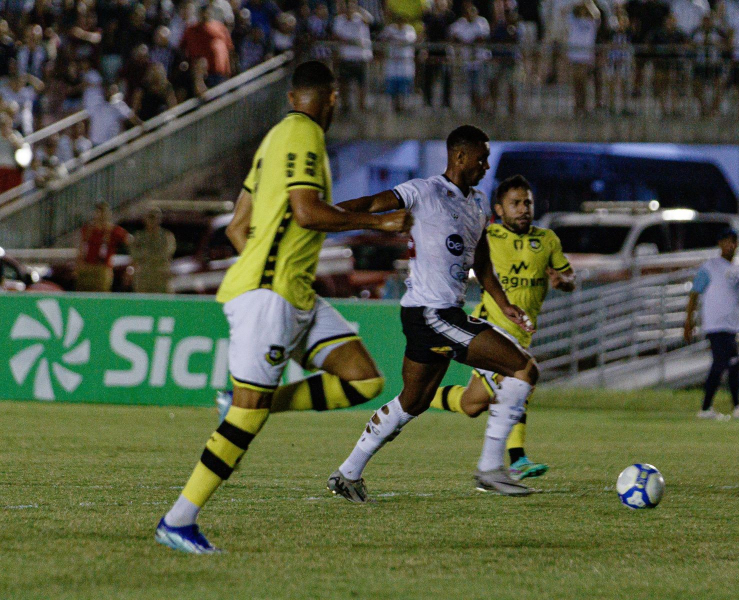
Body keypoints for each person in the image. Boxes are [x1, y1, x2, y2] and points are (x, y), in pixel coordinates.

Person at [155, 61, 412, 554]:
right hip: (270, 296)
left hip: (293, 293)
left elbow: (237, 226)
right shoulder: (304, 135)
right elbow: (306, 211)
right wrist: (377, 223)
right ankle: (178, 520)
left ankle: (251, 400)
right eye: (334, 99)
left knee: (362, 379)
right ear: (330, 99)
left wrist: (270, 256)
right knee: (245, 422)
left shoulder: (273, 141)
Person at [327, 125, 541, 502]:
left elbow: (483, 264)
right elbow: (369, 205)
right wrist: (324, 216)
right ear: (459, 157)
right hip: (432, 313)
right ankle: (491, 467)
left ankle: (348, 472)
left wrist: (505, 304)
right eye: (481, 157)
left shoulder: (475, 203)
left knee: (413, 401)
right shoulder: (422, 191)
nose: (486, 165)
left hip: (434, 314)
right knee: (523, 368)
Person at [428, 174, 574, 481]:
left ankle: (425, 395)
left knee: (471, 405)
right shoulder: (488, 237)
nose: (523, 209)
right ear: (499, 208)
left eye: (528, 203)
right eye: (515, 203)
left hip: (522, 335)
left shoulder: (547, 241)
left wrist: (564, 282)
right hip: (489, 329)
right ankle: (517, 459)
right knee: (519, 384)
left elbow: (569, 277)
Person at [683, 227, 739, 421]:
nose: (730, 245)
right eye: (726, 241)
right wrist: (689, 320)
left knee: (733, 363)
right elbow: (695, 292)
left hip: (730, 324)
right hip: (715, 323)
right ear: (720, 244)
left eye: (733, 241)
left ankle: (731, 406)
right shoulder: (710, 267)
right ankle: (709, 408)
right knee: (722, 363)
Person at [75, 202, 130, 292]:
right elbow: (81, 247)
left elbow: (130, 242)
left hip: (102, 269)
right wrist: (78, 265)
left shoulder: (114, 231)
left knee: (100, 295)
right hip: (86, 267)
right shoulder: (88, 229)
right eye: (98, 212)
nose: (100, 216)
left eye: (103, 213)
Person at [130, 207, 176, 293]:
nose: (153, 220)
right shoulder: (139, 237)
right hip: (144, 277)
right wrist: (150, 254)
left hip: (161, 276)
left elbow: (166, 253)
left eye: (155, 218)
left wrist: (146, 254)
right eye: (150, 217)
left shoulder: (166, 236)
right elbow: (134, 254)